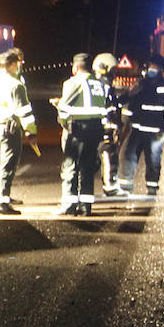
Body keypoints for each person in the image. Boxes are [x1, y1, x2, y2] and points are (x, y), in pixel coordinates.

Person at [55, 52, 110, 215]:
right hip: (95, 129)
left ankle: (69, 204)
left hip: (78, 129)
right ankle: (86, 206)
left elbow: (64, 109)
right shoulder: (99, 84)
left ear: (76, 67)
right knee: (87, 167)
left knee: (70, 166)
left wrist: (63, 122)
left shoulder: (74, 82)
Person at [0, 47, 37, 214]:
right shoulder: (16, 84)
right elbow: (24, 111)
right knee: (8, 166)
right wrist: (31, 131)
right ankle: (2, 203)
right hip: (9, 128)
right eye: (19, 63)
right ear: (13, 64)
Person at [117, 54, 164, 197]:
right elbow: (129, 101)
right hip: (139, 129)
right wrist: (126, 123)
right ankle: (126, 186)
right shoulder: (142, 83)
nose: (151, 69)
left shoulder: (162, 86)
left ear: (160, 68)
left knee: (151, 159)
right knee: (129, 156)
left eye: (153, 66)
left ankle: (151, 187)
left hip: (152, 130)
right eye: (150, 66)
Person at [91, 52, 124, 196]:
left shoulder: (101, 85)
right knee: (108, 155)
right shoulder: (103, 86)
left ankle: (81, 186)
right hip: (104, 129)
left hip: (101, 128)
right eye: (113, 70)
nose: (114, 73)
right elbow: (107, 109)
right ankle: (110, 186)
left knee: (94, 161)